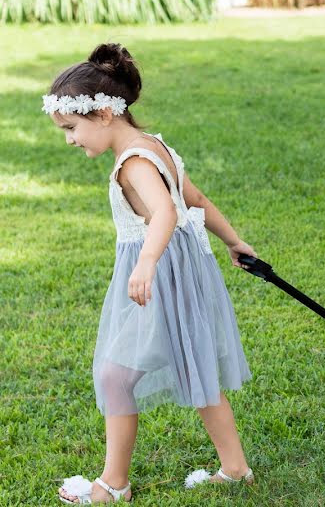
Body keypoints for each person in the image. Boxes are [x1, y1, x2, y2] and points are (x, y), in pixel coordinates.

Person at [48, 44, 255, 504]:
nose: (69, 139)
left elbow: (164, 212)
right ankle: (235, 469)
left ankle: (112, 484)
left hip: (159, 279)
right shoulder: (153, 145)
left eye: (71, 127)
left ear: (103, 113)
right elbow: (195, 199)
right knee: (197, 369)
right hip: (180, 273)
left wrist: (145, 263)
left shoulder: (133, 162)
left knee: (114, 378)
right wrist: (233, 241)